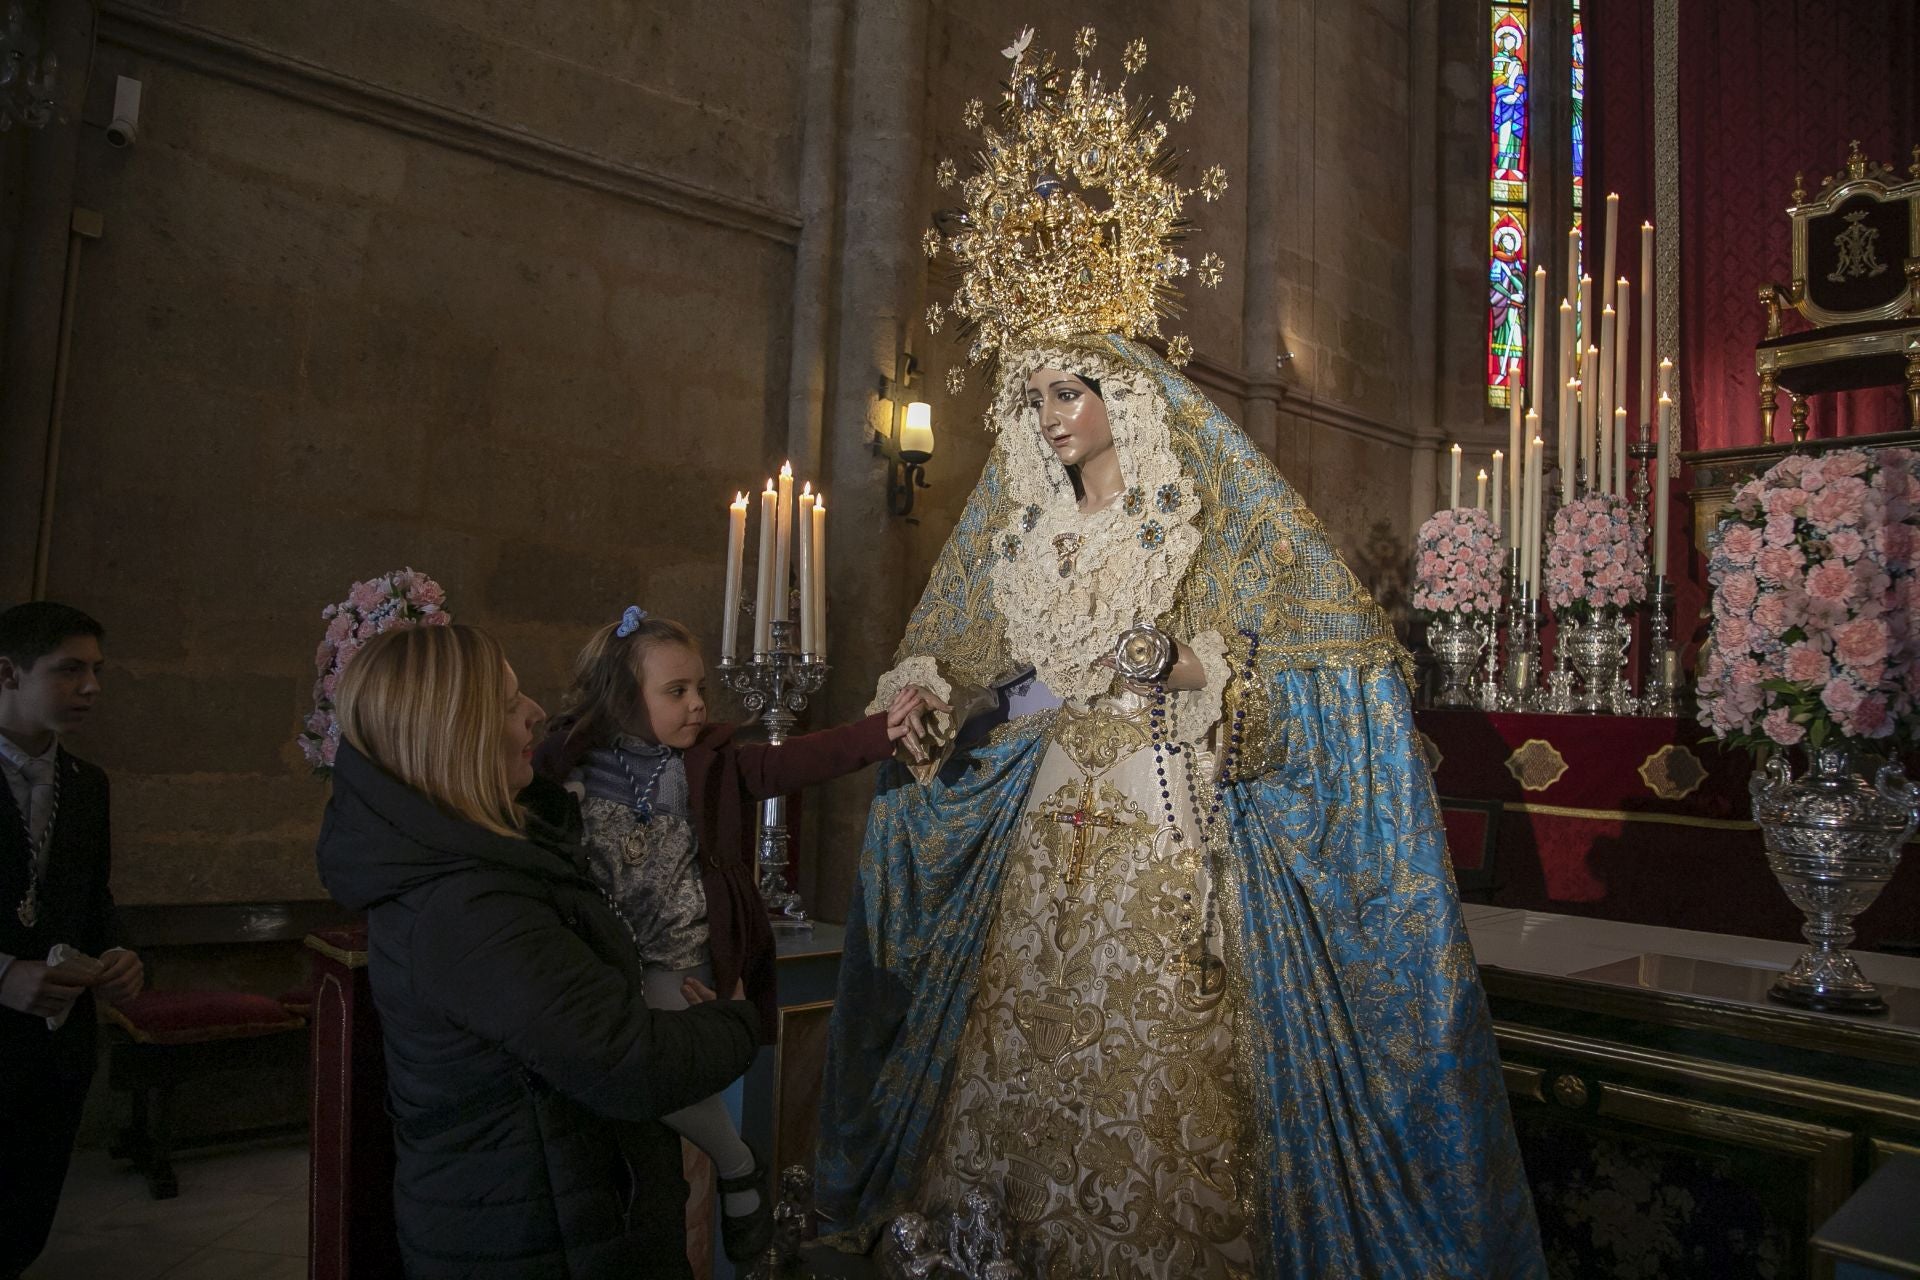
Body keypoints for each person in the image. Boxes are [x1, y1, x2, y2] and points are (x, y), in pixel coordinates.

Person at [817, 28, 1544, 1278]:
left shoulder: (1200, 520)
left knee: (1159, 1062)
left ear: (1124, 395)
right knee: (1023, 1051)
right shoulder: (1026, 531)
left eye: (1069, 393)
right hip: (1047, 826)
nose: (1049, 418)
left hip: (1162, 829)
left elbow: (1304, 659)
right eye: (1034, 395)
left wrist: (1191, 670)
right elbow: (991, 661)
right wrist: (939, 699)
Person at [316, 622, 762, 1279]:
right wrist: (742, 1019)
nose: (532, 713)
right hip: (536, 1232)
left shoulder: (489, 856)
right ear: (451, 732)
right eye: (505, 702)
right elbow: (627, 1060)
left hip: (566, 1208)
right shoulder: (469, 906)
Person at [533, 606, 942, 1263]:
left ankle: (725, 1175)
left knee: (651, 1069)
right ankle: (736, 1162)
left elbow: (792, 764)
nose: (698, 704)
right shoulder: (566, 768)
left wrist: (881, 734)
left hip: (681, 958)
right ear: (621, 697)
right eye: (677, 692)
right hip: (603, 963)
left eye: (700, 688)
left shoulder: (708, 764)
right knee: (626, 1085)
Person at [0, 601, 143, 1279]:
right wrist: (2, 974)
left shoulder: (89, 785)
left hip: (56, 1049)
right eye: (69, 670)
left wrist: (118, 953)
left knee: (23, 1224)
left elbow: (93, 901)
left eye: (96, 670)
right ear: (7, 672)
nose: (92, 686)